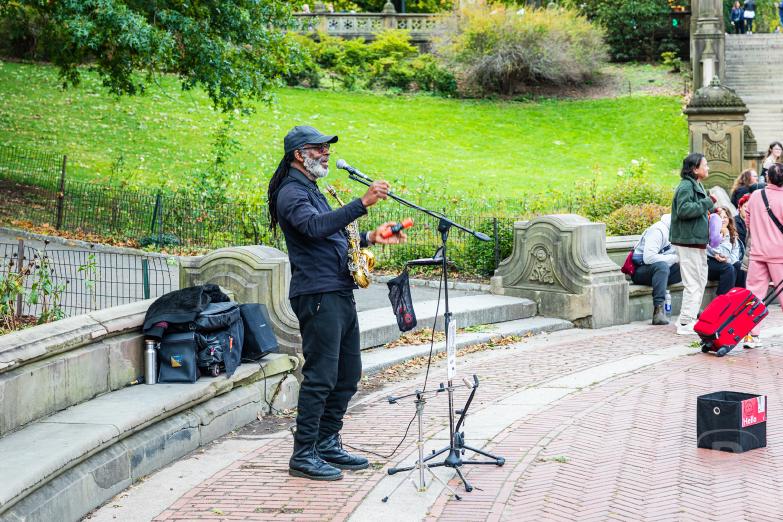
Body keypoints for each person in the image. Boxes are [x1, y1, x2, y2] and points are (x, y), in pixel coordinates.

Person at [268, 125, 407, 481]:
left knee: (347, 375)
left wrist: (370, 236)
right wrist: (362, 203)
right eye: (319, 148)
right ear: (300, 154)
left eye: (327, 147)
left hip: (338, 291)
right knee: (320, 377)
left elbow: (330, 232)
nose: (327, 152)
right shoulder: (290, 192)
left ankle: (327, 442)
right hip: (317, 295)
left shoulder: (312, 189)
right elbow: (313, 228)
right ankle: (303, 454)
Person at [670, 153, 716, 335]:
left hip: (696, 242)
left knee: (699, 280)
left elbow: (698, 208)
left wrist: (712, 209)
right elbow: (683, 210)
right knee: (693, 283)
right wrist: (707, 202)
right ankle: (685, 322)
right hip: (688, 242)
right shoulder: (686, 186)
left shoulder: (697, 184)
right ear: (695, 168)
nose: (708, 168)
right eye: (705, 165)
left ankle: (687, 319)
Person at [744, 162, 783, 347]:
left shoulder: (756, 195)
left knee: (753, 296)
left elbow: (747, 221)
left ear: (767, 178)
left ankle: (751, 335)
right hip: (780, 255)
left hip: (757, 252)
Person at [631, 214, 681, 325]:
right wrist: (675, 258)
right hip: (641, 270)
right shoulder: (658, 230)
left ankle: (692, 307)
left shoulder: (679, 231)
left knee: (687, 266)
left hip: (661, 272)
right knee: (662, 266)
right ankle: (658, 311)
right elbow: (649, 258)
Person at [707, 206, 746, 295]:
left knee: (740, 267)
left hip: (724, 262)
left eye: (725, 217)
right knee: (729, 268)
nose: (722, 220)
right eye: (719, 217)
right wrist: (726, 234)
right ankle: (723, 300)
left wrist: (726, 259)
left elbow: (734, 256)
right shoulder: (709, 232)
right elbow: (718, 252)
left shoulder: (732, 233)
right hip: (709, 263)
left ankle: (740, 299)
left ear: (729, 219)